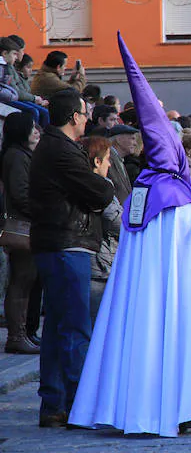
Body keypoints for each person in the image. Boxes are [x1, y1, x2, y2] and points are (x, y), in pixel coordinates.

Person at [68, 34, 191, 437]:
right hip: (172, 291)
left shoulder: (142, 190)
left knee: (138, 338)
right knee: (167, 342)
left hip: (139, 291)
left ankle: (132, 406)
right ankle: (173, 406)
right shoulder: (176, 196)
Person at [29, 89, 114, 427]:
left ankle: (55, 405)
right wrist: (101, 181)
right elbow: (99, 192)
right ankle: (79, 404)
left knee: (57, 328)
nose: (87, 117)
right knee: (75, 327)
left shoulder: (58, 147)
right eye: (83, 112)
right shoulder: (62, 150)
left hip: (62, 242)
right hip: (67, 244)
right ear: (73, 117)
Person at [1, 113, 41, 354]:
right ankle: (16, 336)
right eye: (31, 127)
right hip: (23, 227)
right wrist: (41, 212)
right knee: (21, 281)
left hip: (28, 224)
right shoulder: (16, 156)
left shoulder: (21, 154)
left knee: (26, 282)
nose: (36, 130)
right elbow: (20, 193)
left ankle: (23, 333)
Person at [80, 136, 123, 325]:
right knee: (96, 326)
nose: (110, 164)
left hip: (94, 261)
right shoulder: (99, 186)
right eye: (107, 159)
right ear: (97, 161)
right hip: (98, 263)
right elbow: (116, 221)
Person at [1, 38, 49, 126]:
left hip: (12, 97)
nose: (16, 56)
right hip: (7, 99)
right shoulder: (4, 67)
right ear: (4, 53)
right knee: (33, 111)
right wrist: (33, 99)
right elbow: (9, 89)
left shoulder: (8, 67)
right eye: (14, 54)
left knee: (43, 111)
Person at [107, 124, 137, 198]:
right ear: (119, 140)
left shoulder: (118, 159)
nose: (135, 143)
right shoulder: (108, 160)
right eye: (132, 139)